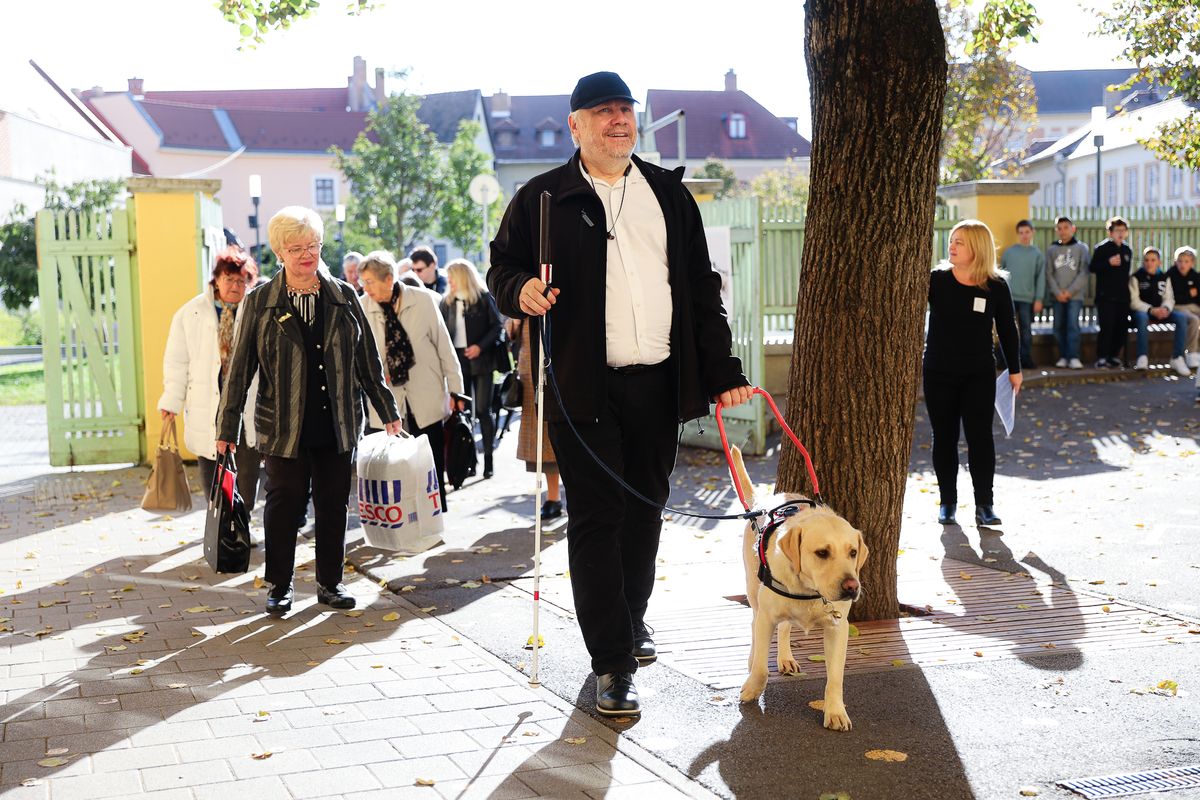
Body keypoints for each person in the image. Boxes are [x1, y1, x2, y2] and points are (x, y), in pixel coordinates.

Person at [487, 71, 752, 717]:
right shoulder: (543, 197)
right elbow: (501, 267)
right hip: (585, 387)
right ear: (575, 125)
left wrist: (723, 371)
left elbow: (699, 291)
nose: (618, 121)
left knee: (645, 510)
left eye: (626, 110)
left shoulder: (666, 192)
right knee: (598, 518)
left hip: (658, 384)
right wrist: (518, 287)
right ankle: (611, 663)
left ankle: (631, 622)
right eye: (602, 112)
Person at [215, 206, 402, 616]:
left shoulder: (343, 295)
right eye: (296, 247)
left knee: (334, 504)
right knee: (284, 502)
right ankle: (279, 585)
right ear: (279, 252)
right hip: (283, 424)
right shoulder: (262, 301)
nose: (307, 254)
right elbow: (240, 369)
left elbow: (366, 360)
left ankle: (330, 582)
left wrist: (386, 409)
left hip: (336, 421)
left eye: (313, 245)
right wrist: (226, 426)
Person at [924, 219, 1022, 529]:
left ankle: (985, 505)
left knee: (981, 438)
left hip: (978, 372)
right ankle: (947, 503)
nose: (951, 246)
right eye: (951, 240)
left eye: (959, 242)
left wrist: (1015, 370)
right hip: (939, 371)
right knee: (945, 437)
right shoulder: (935, 280)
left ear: (976, 247)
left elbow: (1008, 329)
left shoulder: (995, 285)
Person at [358, 250, 464, 511]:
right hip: (387, 399)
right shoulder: (362, 307)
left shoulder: (423, 300)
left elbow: (444, 348)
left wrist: (457, 391)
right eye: (363, 283)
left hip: (425, 392)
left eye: (370, 282)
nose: (366, 288)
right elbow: (357, 355)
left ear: (389, 278)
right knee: (393, 464)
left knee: (430, 459)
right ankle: (402, 515)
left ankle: (433, 512)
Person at [158, 247, 262, 510]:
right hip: (206, 403)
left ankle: (242, 523)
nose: (236, 286)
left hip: (246, 404)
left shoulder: (256, 311)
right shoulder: (190, 313)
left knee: (246, 467)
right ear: (216, 279)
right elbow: (177, 361)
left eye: (242, 280)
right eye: (230, 279)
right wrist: (171, 401)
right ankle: (219, 522)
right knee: (213, 466)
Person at [441, 259, 504, 479]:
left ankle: (488, 459)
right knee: (463, 412)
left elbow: (497, 326)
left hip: (482, 361)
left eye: (452, 277)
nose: (449, 282)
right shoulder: (446, 302)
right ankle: (470, 460)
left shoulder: (483, 299)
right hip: (457, 362)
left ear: (462, 277)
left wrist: (480, 346)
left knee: (483, 411)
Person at [506, 317, 563, 519]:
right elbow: (510, 328)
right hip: (531, 367)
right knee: (544, 438)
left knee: (569, 433)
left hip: (563, 361)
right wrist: (514, 319)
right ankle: (553, 497)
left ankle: (568, 497)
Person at [1129, 247, 1190, 376]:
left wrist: (1166, 308)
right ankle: (1142, 357)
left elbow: (1169, 297)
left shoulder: (1164, 277)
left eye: (1153, 260)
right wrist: (1151, 310)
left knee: (1181, 318)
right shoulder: (1136, 277)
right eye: (1146, 260)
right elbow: (1134, 301)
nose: (1149, 263)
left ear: (1159, 262)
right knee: (1141, 318)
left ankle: (1177, 358)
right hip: (1143, 312)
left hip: (1162, 312)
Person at [999, 220, 1045, 370]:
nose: (1024, 235)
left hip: (1027, 299)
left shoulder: (1037, 254)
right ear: (1017, 234)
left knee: (1026, 330)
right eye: (1021, 233)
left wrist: (1038, 298)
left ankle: (1025, 359)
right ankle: (1003, 359)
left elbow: (1041, 278)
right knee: (1007, 329)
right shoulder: (1009, 252)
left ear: (1033, 232)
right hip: (1009, 297)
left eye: (1027, 232)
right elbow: (1001, 275)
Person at [1088, 217, 1133, 368]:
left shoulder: (1127, 250)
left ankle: (1114, 355)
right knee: (1106, 327)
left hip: (1122, 297)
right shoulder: (1102, 248)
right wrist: (1108, 263)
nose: (1120, 233)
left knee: (1120, 327)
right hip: (1105, 296)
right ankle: (1102, 357)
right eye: (1117, 230)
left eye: (1123, 230)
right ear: (1110, 232)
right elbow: (1092, 267)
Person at [1046, 216, 1089, 369]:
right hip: (1057, 296)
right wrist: (1058, 292)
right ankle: (1063, 356)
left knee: (1072, 325)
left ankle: (1074, 357)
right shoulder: (1052, 249)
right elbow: (1049, 273)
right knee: (1058, 326)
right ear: (1056, 230)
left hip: (1075, 296)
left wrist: (1069, 292)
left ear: (1073, 229)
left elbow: (1084, 273)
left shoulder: (1082, 248)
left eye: (1066, 227)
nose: (1063, 231)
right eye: (1059, 228)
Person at [1166, 246, 1200, 371]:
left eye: (1186, 261)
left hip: (1193, 306)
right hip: (1177, 307)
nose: (1183, 264)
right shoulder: (1170, 275)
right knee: (1194, 320)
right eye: (1180, 261)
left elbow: (1198, 296)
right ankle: (1191, 353)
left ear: (1192, 262)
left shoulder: (1195, 276)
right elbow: (1175, 298)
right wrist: (1189, 294)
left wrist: (1190, 295)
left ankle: (1197, 351)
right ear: (1175, 262)